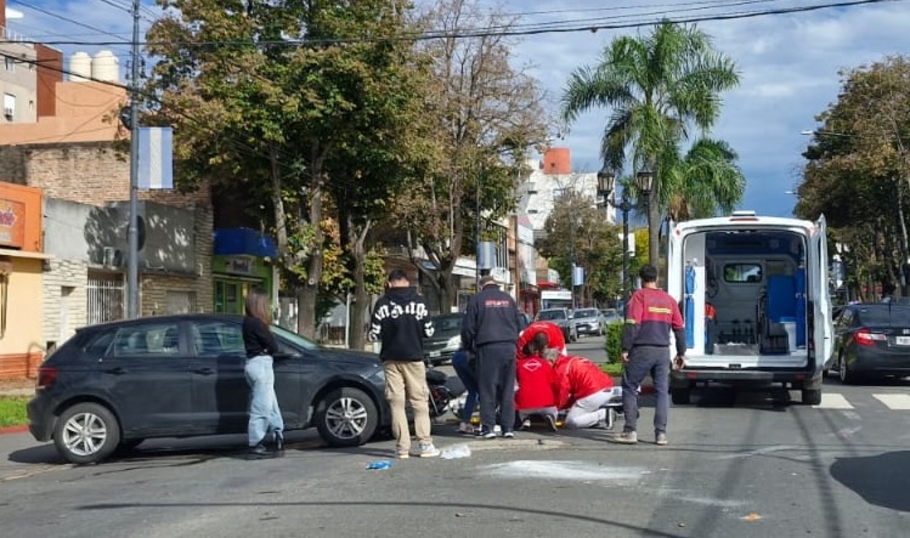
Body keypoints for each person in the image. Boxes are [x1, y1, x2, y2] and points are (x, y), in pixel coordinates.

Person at [368, 270, 440, 458]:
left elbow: (373, 333)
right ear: (407, 282)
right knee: (419, 402)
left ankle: (402, 448)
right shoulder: (420, 302)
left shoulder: (382, 303)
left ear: (390, 283)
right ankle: (425, 444)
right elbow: (429, 331)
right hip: (414, 357)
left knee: (396, 403)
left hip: (391, 359)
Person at [613, 264, 687, 446]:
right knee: (662, 391)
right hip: (663, 351)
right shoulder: (669, 300)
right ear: (656, 278)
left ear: (641, 279)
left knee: (630, 386)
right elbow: (680, 328)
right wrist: (681, 353)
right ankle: (661, 434)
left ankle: (630, 431)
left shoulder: (639, 296)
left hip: (642, 349)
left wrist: (625, 348)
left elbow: (632, 324)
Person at [461, 275, 523, 439]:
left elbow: (468, 328)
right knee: (507, 389)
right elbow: (519, 324)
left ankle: (488, 427)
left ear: (481, 286)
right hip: (509, 347)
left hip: (487, 347)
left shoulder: (477, 299)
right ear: (496, 284)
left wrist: (468, 347)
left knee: (488, 389)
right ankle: (508, 427)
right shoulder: (508, 299)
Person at [242, 289, 284, 458]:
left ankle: (278, 434)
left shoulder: (247, 322)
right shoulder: (257, 323)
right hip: (261, 365)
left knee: (271, 403)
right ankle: (255, 442)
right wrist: (269, 345)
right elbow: (273, 345)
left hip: (254, 364)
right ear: (259, 305)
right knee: (262, 407)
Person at [547, 349, 615, 429]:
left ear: (551, 360)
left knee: (571, 422)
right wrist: (568, 406)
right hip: (607, 387)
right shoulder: (573, 359)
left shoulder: (561, 368)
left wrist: (555, 409)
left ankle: (604, 414)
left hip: (592, 393)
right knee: (579, 411)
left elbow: (562, 393)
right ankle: (596, 417)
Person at [515, 331, 559, 431]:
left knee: (524, 410)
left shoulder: (519, 366)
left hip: (524, 405)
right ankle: (551, 416)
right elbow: (556, 385)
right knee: (552, 410)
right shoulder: (545, 364)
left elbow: (516, 385)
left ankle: (525, 419)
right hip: (546, 404)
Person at [451, 346, 479, 434]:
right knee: (484, 390)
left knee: (472, 391)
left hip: (458, 356)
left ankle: (465, 422)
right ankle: (486, 423)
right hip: (471, 357)